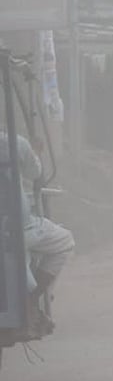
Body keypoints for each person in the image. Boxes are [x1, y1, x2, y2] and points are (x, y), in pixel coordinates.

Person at [0, 128, 73, 338]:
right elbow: (35, 172)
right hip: (17, 228)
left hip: (13, 230)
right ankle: (31, 301)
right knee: (64, 240)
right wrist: (35, 151)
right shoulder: (13, 143)